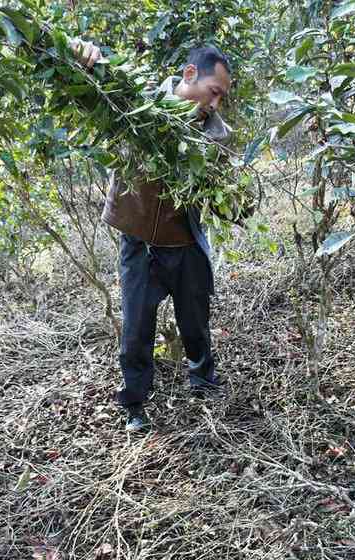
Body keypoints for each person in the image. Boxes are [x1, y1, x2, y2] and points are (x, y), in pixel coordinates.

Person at [73, 39, 242, 433]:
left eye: (222, 97)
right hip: (139, 243)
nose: (215, 104)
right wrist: (87, 58)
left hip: (184, 244)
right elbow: (102, 85)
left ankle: (203, 382)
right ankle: (134, 404)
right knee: (135, 331)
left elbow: (216, 195)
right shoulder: (141, 103)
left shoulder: (216, 136)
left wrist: (232, 200)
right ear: (189, 75)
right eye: (214, 92)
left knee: (196, 323)